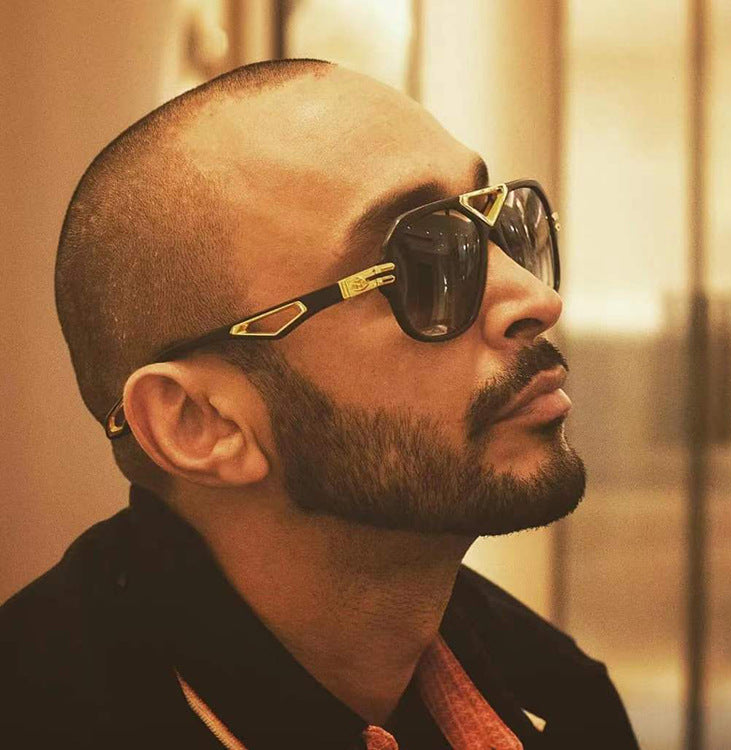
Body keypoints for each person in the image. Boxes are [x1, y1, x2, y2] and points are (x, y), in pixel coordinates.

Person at [0, 59, 639, 749]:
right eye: (422, 263)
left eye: (498, 227)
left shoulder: (555, 693)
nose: (536, 301)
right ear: (200, 423)